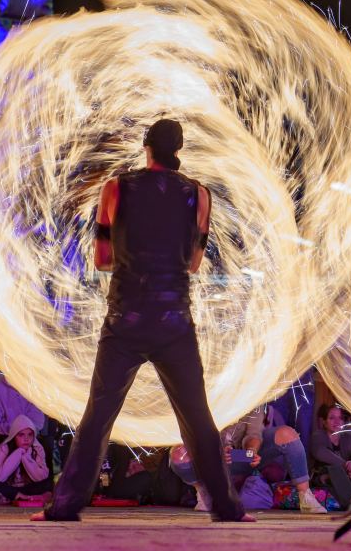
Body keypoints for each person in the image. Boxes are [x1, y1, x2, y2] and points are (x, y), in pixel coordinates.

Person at [36, 119, 247, 522]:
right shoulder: (199, 194)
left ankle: (64, 506)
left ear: (145, 147)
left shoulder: (116, 188)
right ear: (179, 150)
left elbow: (102, 259)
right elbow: (194, 262)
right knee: (198, 417)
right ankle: (227, 507)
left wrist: (131, 254)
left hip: (126, 319)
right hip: (174, 321)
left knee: (99, 414)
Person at [172, 408, 326, 513]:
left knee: (287, 433)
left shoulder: (251, 395)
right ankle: (204, 491)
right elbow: (198, 434)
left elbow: (254, 433)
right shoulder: (211, 396)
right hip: (210, 459)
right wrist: (218, 449)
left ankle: (305, 496)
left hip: (240, 458)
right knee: (179, 453)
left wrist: (251, 451)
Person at [0, 414, 52, 505]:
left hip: (28, 488)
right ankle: (17, 496)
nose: (26, 439)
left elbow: (41, 477)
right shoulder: (3, 448)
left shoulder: (37, 448)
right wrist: (17, 454)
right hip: (9, 488)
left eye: (30, 435)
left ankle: (10, 497)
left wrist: (26, 458)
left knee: (48, 482)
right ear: (14, 436)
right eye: (21, 435)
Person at [310, 405, 351, 498]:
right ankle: (350, 497)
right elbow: (319, 452)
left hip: (347, 479)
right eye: (332, 418)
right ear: (324, 422)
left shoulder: (347, 438)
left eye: (340, 418)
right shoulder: (318, 436)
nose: (337, 422)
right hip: (324, 477)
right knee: (334, 469)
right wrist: (346, 464)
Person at [0, 374, 46, 451]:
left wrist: (25, 432)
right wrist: (16, 432)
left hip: (28, 434)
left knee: (45, 446)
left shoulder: (32, 390)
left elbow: (37, 419)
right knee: (10, 448)